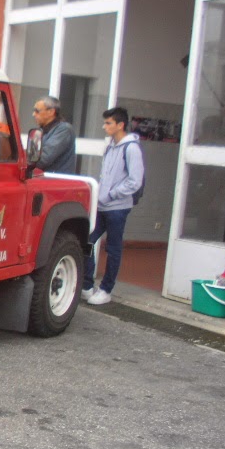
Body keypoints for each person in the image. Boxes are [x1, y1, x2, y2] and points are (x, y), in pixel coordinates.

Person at [82, 106, 145, 306]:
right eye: (105, 122)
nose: (104, 126)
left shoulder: (131, 148)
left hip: (118, 208)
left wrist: (111, 195)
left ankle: (106, 290)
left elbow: (135, 181)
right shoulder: (110, 146)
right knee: (86, 240)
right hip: (101, 206)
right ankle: (86, 285)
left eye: (108, 123)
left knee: (113, 248)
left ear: (120, 125)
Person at [30, 95, 76, 174]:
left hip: (57, 179)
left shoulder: (64, 130)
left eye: (37, 111)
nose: (33, 114)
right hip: (43, 178)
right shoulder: (40, 131)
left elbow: (42, 159)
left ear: (51, 112)